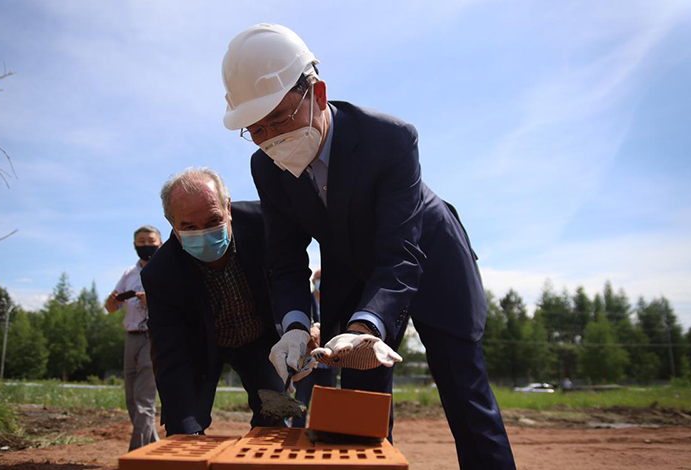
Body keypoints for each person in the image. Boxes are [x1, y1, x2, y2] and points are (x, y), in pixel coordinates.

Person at [220, 23, 516, 468]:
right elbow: (284, 258)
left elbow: (400, 251)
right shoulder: (266, 167)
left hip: (431, 260)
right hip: (353, 270)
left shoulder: (390, 138)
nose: (272, 139)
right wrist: (296, 325)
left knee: (464, 394)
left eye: (279, 119)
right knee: (359, 405)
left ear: (317, 94)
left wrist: (367, 326)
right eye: (255, 129)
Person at [141, 168, 288, 436]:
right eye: (189, 227)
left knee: (275, 417)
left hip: (261, 341)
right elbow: (170, 354)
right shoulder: (159, 274)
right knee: (184, 428)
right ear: (172, 225)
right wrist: (182, 425)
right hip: (199, 349)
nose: (205, 233)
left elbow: (291, 277)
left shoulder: (264, 223)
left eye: (213, 221)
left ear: (228, 208)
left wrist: (302, 324)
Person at [104, 225, 162, 451]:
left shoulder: (165, 270)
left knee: (144, 400)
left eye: (150, 240)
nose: (146, 245)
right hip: (131, 338)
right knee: (131, 399)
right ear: (134, 245)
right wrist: (111, 301)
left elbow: (178, 305)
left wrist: (153, 301)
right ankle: (154, 447)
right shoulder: (129, 273)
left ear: (160, 243)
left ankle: (136, 454)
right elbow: (112, 308)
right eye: (141, 241)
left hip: (154, 336)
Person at [292, 269, 338, 427]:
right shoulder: (306, 301)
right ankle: (297, 433)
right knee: (301, 401)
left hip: (328, 363)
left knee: (328, 402)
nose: (321, 282)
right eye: (318, 278)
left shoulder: (333, 303)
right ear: (313, 281)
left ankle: (324, 431)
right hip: (308, 361)